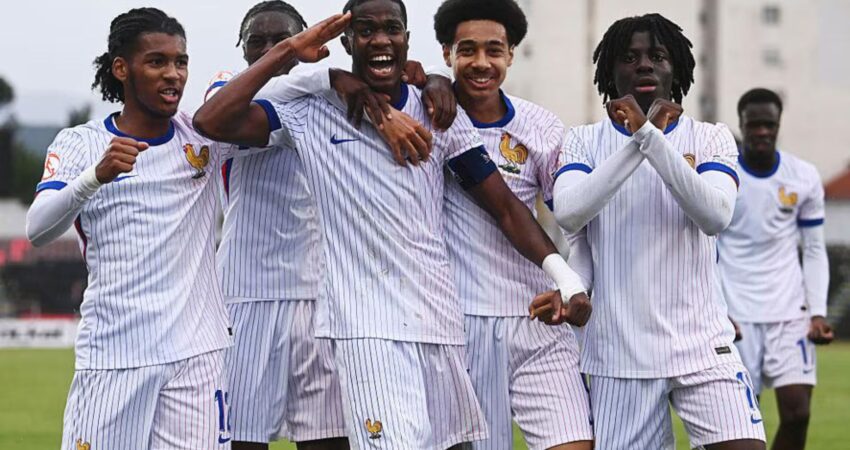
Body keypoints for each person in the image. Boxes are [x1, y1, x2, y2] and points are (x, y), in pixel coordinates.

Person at [193, 1, 588, 447]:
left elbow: (506, 207)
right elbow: (210, 120)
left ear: (406, 39)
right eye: (365, 30)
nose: (380, 39)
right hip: (366, 331)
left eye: (391, 29)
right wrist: (304, 61)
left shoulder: (438, 111)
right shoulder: (311, 110)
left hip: (438, 323)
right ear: (346, 42)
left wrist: (567, 278)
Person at [22, 8, 288, 448]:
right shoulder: (81, 142)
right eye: (157, 62)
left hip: (197, 359)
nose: (173, 74)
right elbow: (37, 228)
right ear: (121, 69)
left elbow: (280, 101)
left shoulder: (202, 134)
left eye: (181, 62)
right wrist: (95, 177)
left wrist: (319, 67)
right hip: (115, 356)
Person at [212, 2, 454, 449]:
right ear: (242, 49)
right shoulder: (234, 89)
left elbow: (409, 77)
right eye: (257, 42)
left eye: (282, 38)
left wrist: (435, 77)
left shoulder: (331, 100)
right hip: (247, 296)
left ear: (315, 42)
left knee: (330, 440)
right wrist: (323, 72)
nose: (269, 48)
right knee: (240, 439)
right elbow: (214, 115)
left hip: (323, 298)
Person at [534, 13, 767, 450]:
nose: (644, 65)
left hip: (704, 348)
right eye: (630, 57)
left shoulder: (711, 137)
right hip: (620, 357)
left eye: (657, 56)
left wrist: (649, 138)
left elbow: (715, 216)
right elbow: (570, 213)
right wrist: (643, 136)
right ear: (610, 71)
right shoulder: (583, 140)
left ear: (676, 68)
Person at [433, 0, 592, 448]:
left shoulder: (540, 126)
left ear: (511, 54)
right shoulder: (429, 116)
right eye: (467, 50)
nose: (481, 63)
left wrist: (574, 284)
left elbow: (574, 219)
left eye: (494, 50)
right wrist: (427, 79)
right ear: (447, 54)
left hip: (538, 315)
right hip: (460, 324)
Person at [718, 88, 832, 450]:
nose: (762, 132)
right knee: (737, 424)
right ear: (742, 125)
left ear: (779, 125)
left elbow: (813, 249)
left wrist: (817, 312)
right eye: (754, 125)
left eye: (769, 124)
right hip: (737, 315)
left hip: (789, 313)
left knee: (798, 414)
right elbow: (706, 250)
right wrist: (716, 310)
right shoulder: (723, 177)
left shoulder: (803, 176)